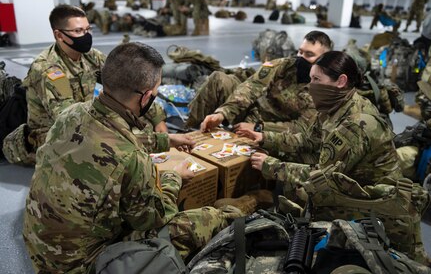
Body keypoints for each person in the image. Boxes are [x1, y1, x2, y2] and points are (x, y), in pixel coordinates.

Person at [22, 42, 242, 273]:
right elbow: (154, 218)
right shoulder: (132, 158)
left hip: (38, 246)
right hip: (81, 266)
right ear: (146, 97)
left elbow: (111, 142)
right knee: (199, 222)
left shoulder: (72, 113)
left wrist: (168, 141)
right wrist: (172, 177)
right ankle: (244, 211)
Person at [237, 51, 430, 264]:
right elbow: (307, 140)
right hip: (355, 189)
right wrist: (265, 137)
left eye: (316, 79)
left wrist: (271, 166)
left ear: (341, 81)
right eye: (311, 79)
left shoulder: (356, 123)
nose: (310, 85)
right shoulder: (334, 106)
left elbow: (323, 178)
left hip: (377, 208)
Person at [2, 5, 169, 165]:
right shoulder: (48, 69)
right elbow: (70, 120)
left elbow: (129, 82)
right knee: (112, 145)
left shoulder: (90, 56)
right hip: (56, 134)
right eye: (78, 31)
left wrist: (157, 118)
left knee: (138, 109)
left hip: (83, 119)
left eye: (87, 29)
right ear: (59, 35)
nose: (86, 35)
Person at [189, 31, 332, 141]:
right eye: (300, 51)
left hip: (274, 130)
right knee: (219, 79)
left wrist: (259, 127)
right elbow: (252, 86)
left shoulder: (324, 89)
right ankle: (192, 133)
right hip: (253, 111)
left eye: (309, 54)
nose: (301, 58)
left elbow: (301, 128)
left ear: (324, 59)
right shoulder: (284, 65)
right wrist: (222, 113)